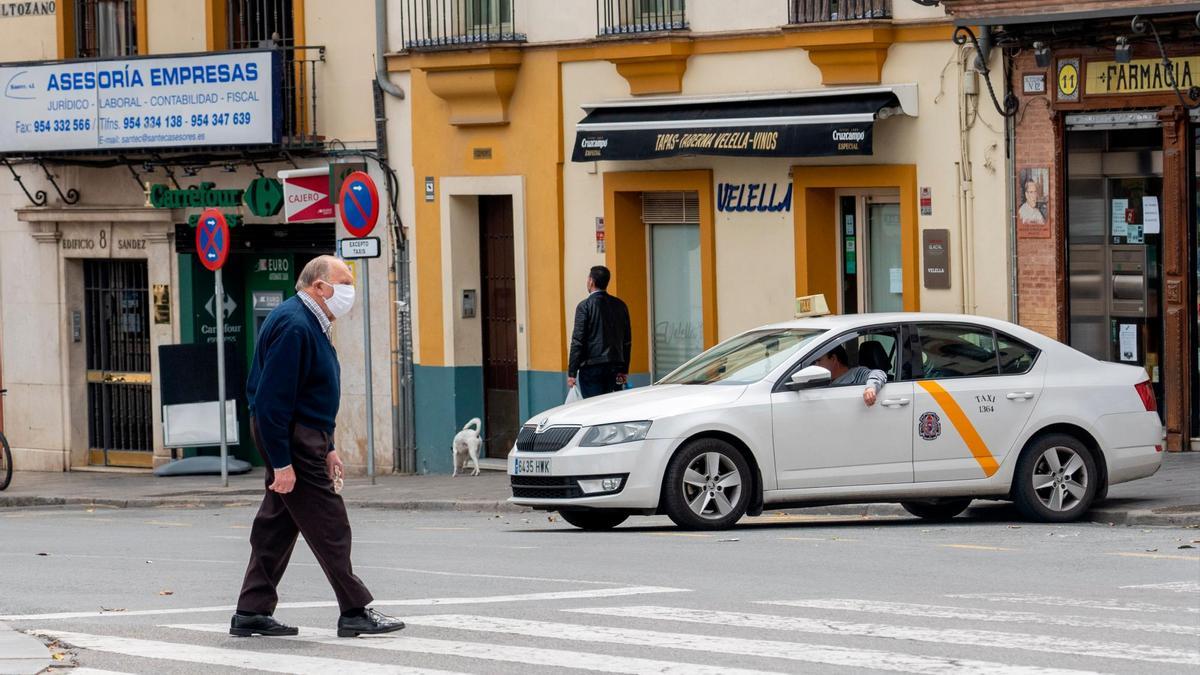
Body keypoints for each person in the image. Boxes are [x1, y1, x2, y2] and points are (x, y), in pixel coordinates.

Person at [231, 255, 404, 639]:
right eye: (343, 283)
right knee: (330, 524)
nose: (349, 291)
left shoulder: (309, 321)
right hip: (293, 438)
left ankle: (251, 611)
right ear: (318, 286)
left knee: (276, 525)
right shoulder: (295, 325)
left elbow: (310, 394)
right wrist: (282, 462)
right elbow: (272, 401)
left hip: (304, 437)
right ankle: (355, 610)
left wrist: (328, 445)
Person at [567, 265, 632, 398]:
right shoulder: (620, 305)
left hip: (591, 369)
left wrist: (572, 373)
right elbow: (627, 341)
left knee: (593, 408)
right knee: (613, 407)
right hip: (616, 368)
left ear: (591, 281)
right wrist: (624, 370)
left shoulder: (584, 306)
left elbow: (578, 341)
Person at [813, 344, 886, 407]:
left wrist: (870, 388)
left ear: (833, 359)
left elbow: (878, 373)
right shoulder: (824, 380)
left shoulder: (856, 374)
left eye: (819, 361)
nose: (816, 365)